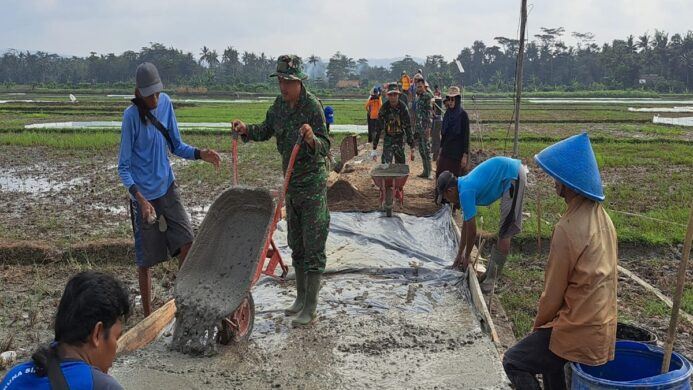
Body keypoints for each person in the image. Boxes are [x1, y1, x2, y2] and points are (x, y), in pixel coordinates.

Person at [503, 133, 618, 390]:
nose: (554, 181)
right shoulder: (604, 219)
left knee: (513, 361)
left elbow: (552, 295)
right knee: (550, 360)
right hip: (603, 326)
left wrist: (538, 326)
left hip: (578, 329)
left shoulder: (567, 228)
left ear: (568, 183)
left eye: (557, 177)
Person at [232, 55, 330, 327]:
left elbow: (326, 145)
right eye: (280, 81)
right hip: (291, 188)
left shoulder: (312, 107)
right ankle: (300, 299)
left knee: (313, 247)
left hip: (312, 187)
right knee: (296, 244)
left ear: (299, 82)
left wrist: (311, 138)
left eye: (288, 81)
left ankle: (311, 306)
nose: (283, 87)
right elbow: (265, 130)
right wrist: (246, 131)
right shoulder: (279, 106)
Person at [118, 62, 221, 317]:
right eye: (149, 94)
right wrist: (140, 199)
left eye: (157, 93)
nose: (155, 98)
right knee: (146, 260)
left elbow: (176, 146)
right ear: (139, 92)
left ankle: (183, 298)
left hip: (167, 187)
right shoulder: (130, 117)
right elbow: (123, 167)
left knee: (187, 240)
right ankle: (148, 314)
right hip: (144, 196)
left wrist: (200, 154)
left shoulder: (165, 104)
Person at [1, 271, 130, 389]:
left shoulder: (13, 377)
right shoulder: (103, 386)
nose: (116, 348)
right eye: (116, 337)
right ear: (97, 333)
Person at [436, 156, 527, 293]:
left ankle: (490, 281)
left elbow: (472, 231)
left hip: (512, 175)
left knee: (505, 231)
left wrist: (467, 257)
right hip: (508, 175)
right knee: (503, 230)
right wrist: (459, 254)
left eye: (446, 198)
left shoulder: (465, 191)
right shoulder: (462, 186)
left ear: (450, 191)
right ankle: (488, 276)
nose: (448, 201)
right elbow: (466, 226)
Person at [372, 83, 414, 164]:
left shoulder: (403, 108)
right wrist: (374, 148)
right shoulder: (384, 108)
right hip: (388, 138)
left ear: (398, 95)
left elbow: (408, 127)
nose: (393, 97)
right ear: (388, 95)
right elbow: (378, 128)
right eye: (391, 95)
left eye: (395, 94)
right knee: (385, 164)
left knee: (400, 165)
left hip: (400, 138)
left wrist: (412, 146)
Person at [436, 86, 470, 178]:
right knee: (440, 174)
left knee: (454, 179)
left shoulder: (463, 115)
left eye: (453, 99)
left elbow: (466, 137)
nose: (450, 102)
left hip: (457, 153)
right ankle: (440, 192)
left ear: (457, 100)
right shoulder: (447, 114)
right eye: (449, 99)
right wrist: (440, 151)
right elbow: (444, 134)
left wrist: (465, 156)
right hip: (446, 151)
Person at [414, 78, 434, 178]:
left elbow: (430, 113)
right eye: (417, 87)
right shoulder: (418, 98)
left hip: (425, 128)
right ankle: (425, 171)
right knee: (421, 150)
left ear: (424, 86)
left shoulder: (427, 96)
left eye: (420, 86)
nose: (419, 88)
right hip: (419, 128)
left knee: (426, 149)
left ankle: (429, 172)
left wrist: (429, 128)